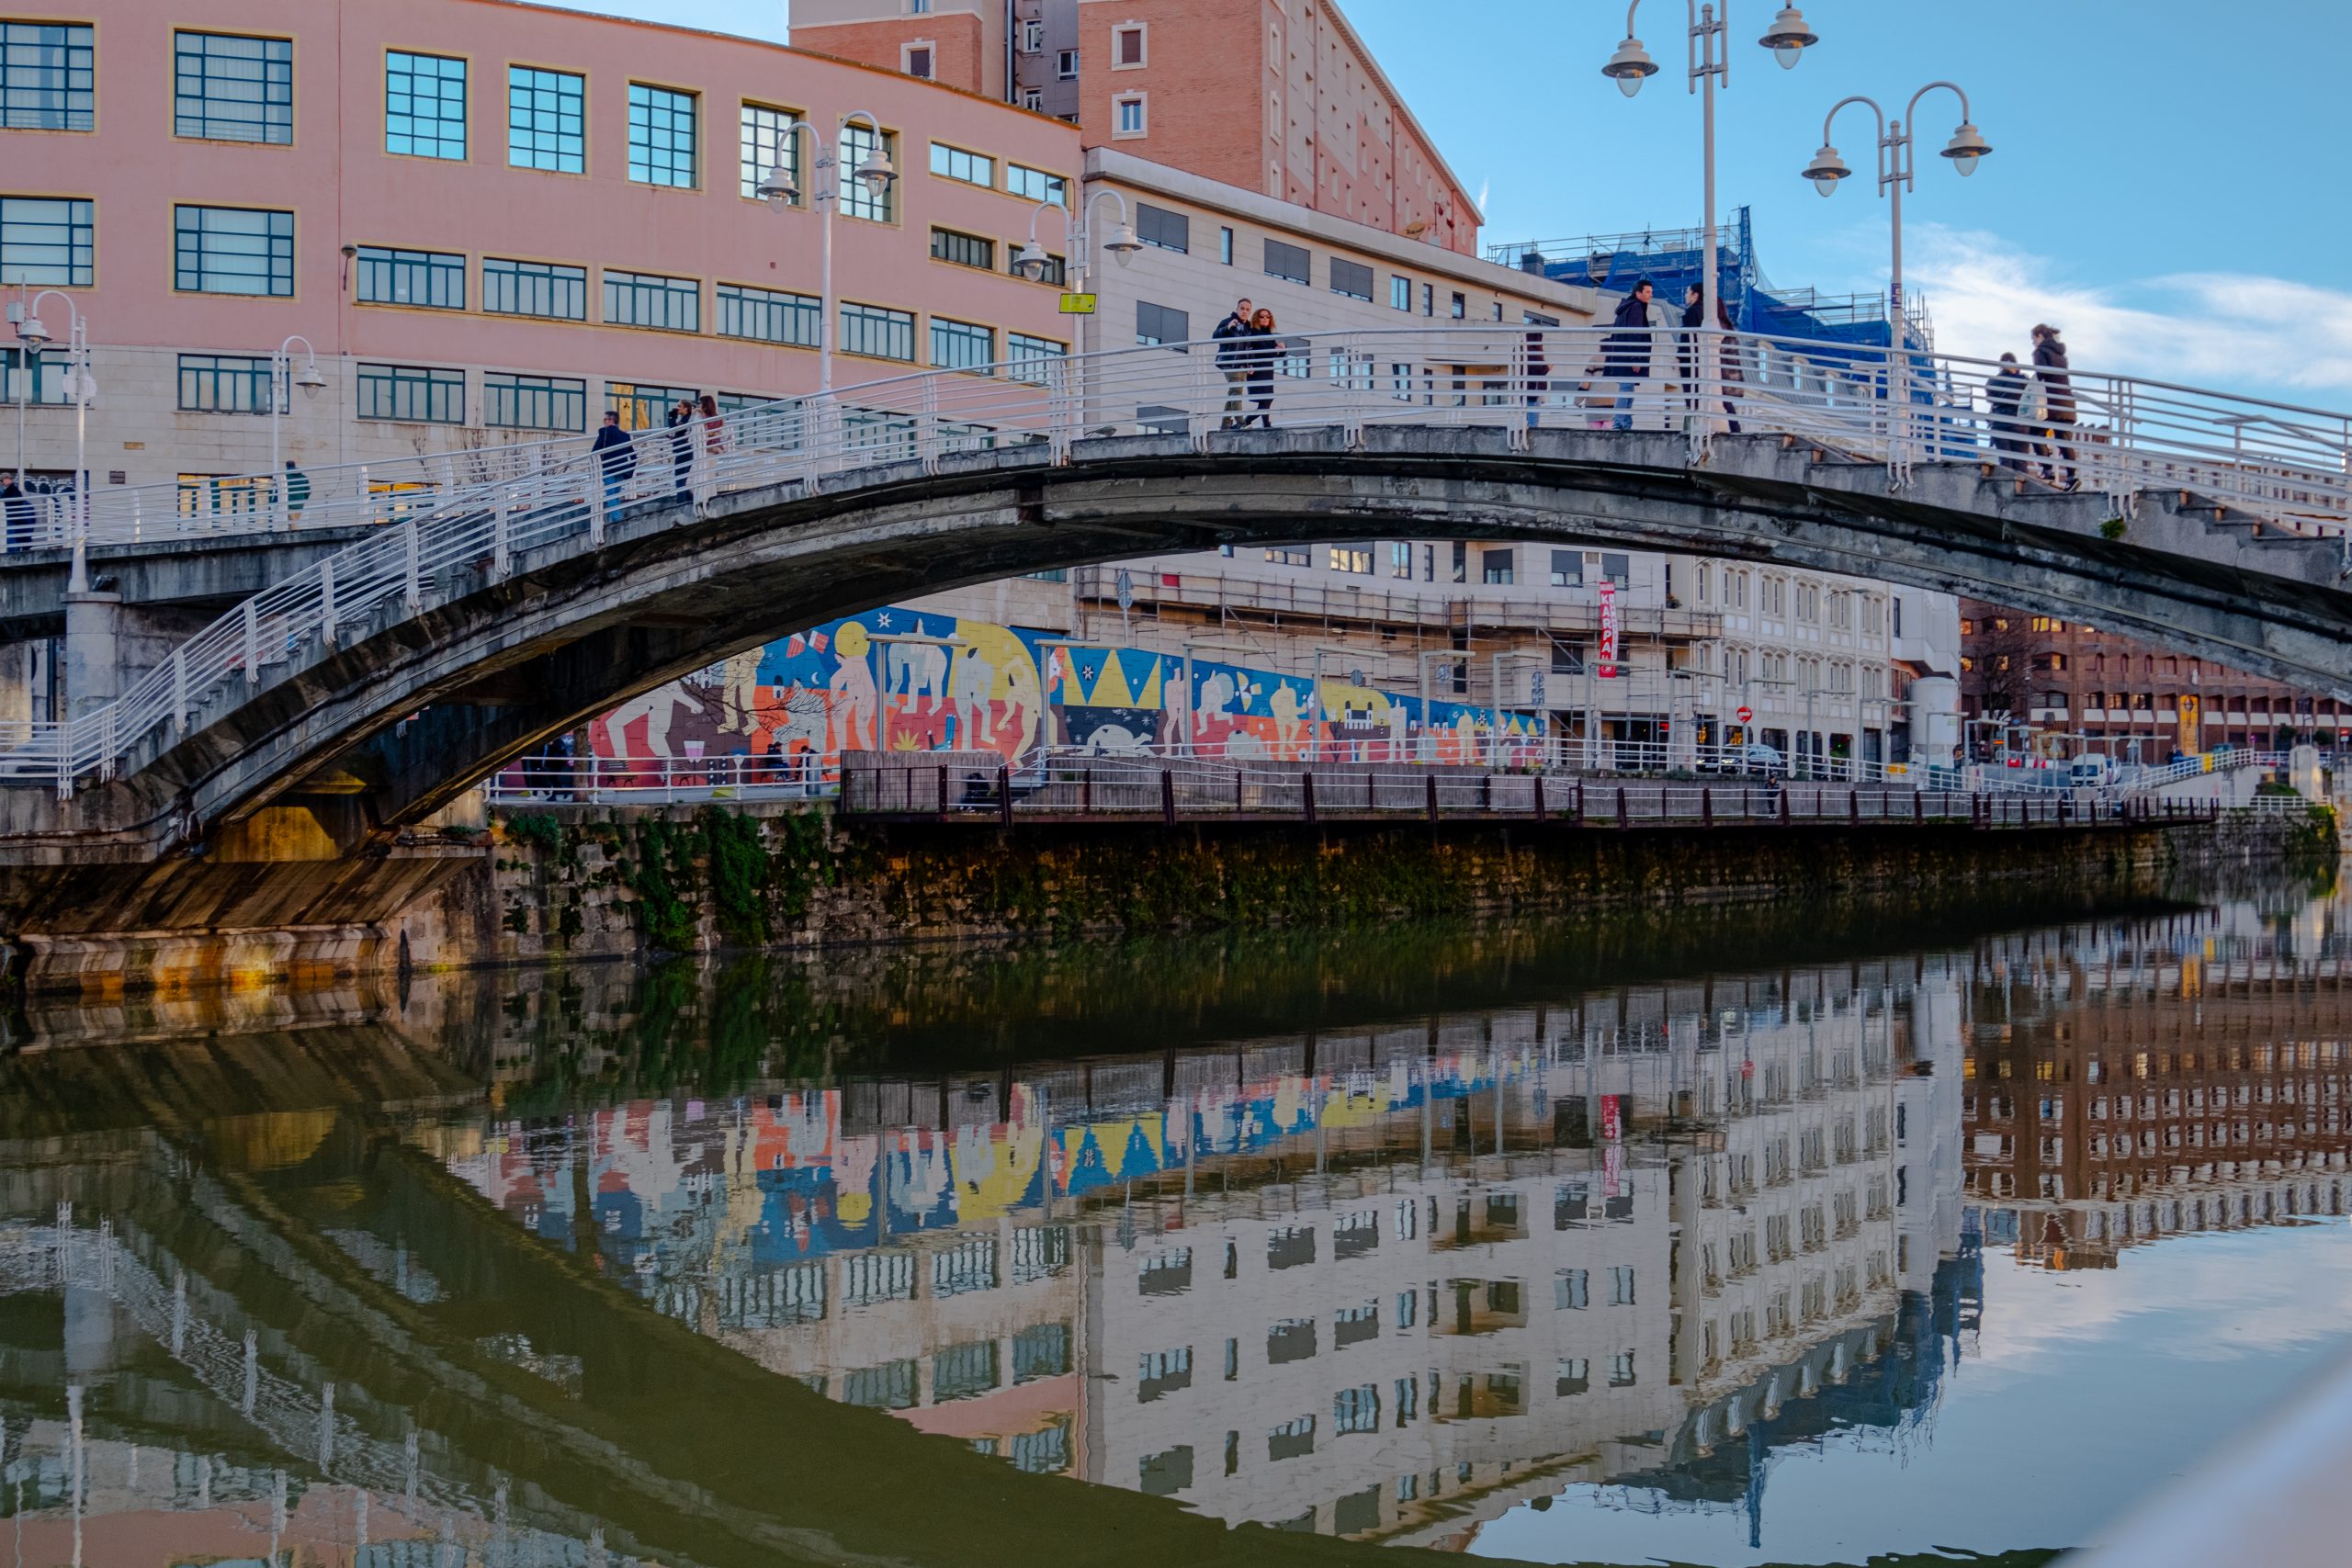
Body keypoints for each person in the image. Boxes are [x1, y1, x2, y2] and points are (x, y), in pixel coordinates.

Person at [2032, 323, 2078, 489]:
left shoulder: (2040, 352)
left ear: (2039, 336)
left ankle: (2047, 469)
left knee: (2035, 434)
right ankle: (2072, 476)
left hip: (2052, 403)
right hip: (2067, 402)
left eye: (2033, 339)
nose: (2033, 343)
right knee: (2064, 440)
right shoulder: (2061, 355)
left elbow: (2042, 374)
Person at [1605, 277, 1656, 432]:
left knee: (1627, 390)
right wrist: (1636, 358)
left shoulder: (1627, 307)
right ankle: (1619, 424)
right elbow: (1635, 333)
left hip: (1620, 355)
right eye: (1647, 292)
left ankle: (1624, 424)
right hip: (1628, 357)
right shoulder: (1636, 308)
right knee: (1626, 389)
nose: (1650, 295)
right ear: (1638, 293)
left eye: (1651, 292)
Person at [1985, 352, 2031, 471]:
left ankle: (2007, 486)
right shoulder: (2024, 380)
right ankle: (2021, 488)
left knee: (2005, 459)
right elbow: (2031, 398)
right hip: (2020, 422)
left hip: (1999, 421)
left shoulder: (1993, 381)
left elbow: (1989, 398)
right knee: (2021, 460)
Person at [1212, 298, 1254, 428]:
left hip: (1242, 365)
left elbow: (1250, 347)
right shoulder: (1228, 321)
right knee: (1237, 391)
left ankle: (1225, 424)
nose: (1244, 311)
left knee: (1233, 392)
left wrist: (1250, 363)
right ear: (1237, 309)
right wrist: (1227, 328)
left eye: (1247, 309)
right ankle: (1241, 423)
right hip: (1229, 362)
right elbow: (1215, 336)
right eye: (1242, 308)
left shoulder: (1249, 327)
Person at [1239, 307, 1281, 429]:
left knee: (1266, 399)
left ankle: (1249, 422)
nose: (1265, 319)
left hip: (1267, 370)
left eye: (1268, 317)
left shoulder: (1269, 334)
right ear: (1257, 318)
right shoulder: (1253, 332)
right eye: (1262, 316)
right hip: (1257, 369)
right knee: (1266, 399)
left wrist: (1282, 348)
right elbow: (1250, 349)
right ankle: (1264, 424)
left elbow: (1273, 352)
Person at [591, 410, 636, 509]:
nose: (604, 422)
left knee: (611, 497)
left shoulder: (604, 432)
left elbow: (594, 451)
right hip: (622, 469)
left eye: (605, 419)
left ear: (611, 420)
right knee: (616, 497)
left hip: (608, 468)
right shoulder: (625, 436)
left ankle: (618, 519)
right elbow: (633, 456)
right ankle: (615, 522)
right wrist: (629, 472)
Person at [1712, 299, 1745, 434]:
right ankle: (1735, 429)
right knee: (1726, 403)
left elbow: (1722, 350)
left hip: (1723, 371)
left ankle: (1735, 430)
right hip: (1730, 371)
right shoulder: (1727, 327)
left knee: (1725, 402)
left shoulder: (1720, 327)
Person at [664, 397, 695, 500]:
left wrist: (671, 419)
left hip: (684, 451)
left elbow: (675, 430)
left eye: (679, 406)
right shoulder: (683, 419)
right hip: (684, 450)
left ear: (686, 408)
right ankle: (691, 499)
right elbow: (676, 433)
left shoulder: (687, 419)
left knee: (679, 479)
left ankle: (681, 503)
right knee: (682, 481)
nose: (677, 408)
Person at [1522, 330, 1550, 430]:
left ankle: (1527, 440)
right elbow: (1537, 370)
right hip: (1532, 390)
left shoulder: (1522, 349)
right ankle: (1530, 442)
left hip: (1527, 389)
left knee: (1531, 419)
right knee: (1533, 422)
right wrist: (1547, 368)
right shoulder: (1532, 351)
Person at [281, 459, 311, 525]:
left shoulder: (284, 477)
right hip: (300, 503)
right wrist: (302, 499)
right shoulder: (304, 477)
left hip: (289, 503)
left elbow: (279, 491)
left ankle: (292, 534)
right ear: (295, 465)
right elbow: (308, 491)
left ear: (286, 466)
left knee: (292, 524)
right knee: (295, 523)